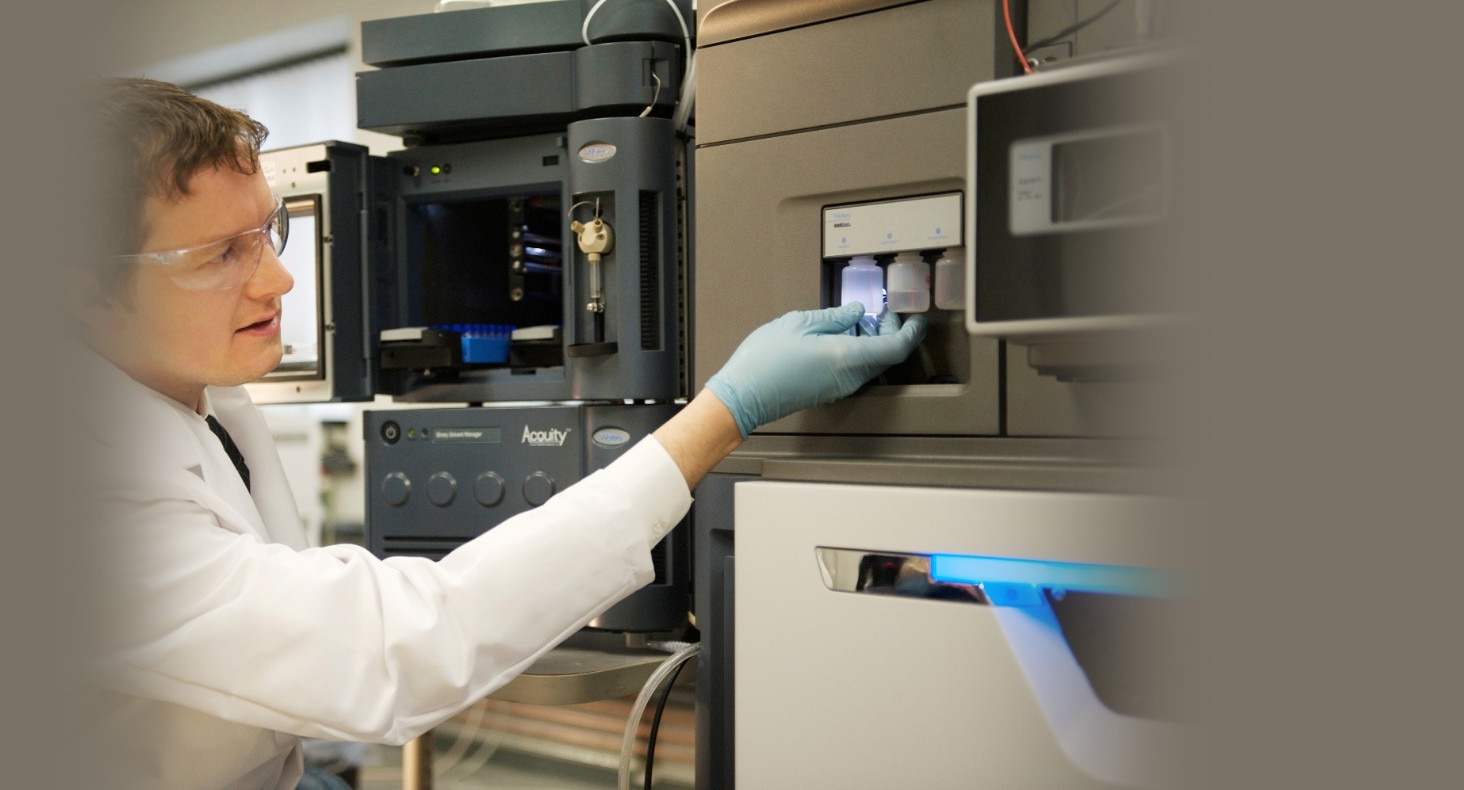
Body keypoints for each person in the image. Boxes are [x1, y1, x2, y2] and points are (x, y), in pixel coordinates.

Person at [80, 78, 925, 789]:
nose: (280, 276)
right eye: (220, 254)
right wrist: (721, 413)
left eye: (269, 229)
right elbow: (396, 650)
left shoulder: (197, 394)